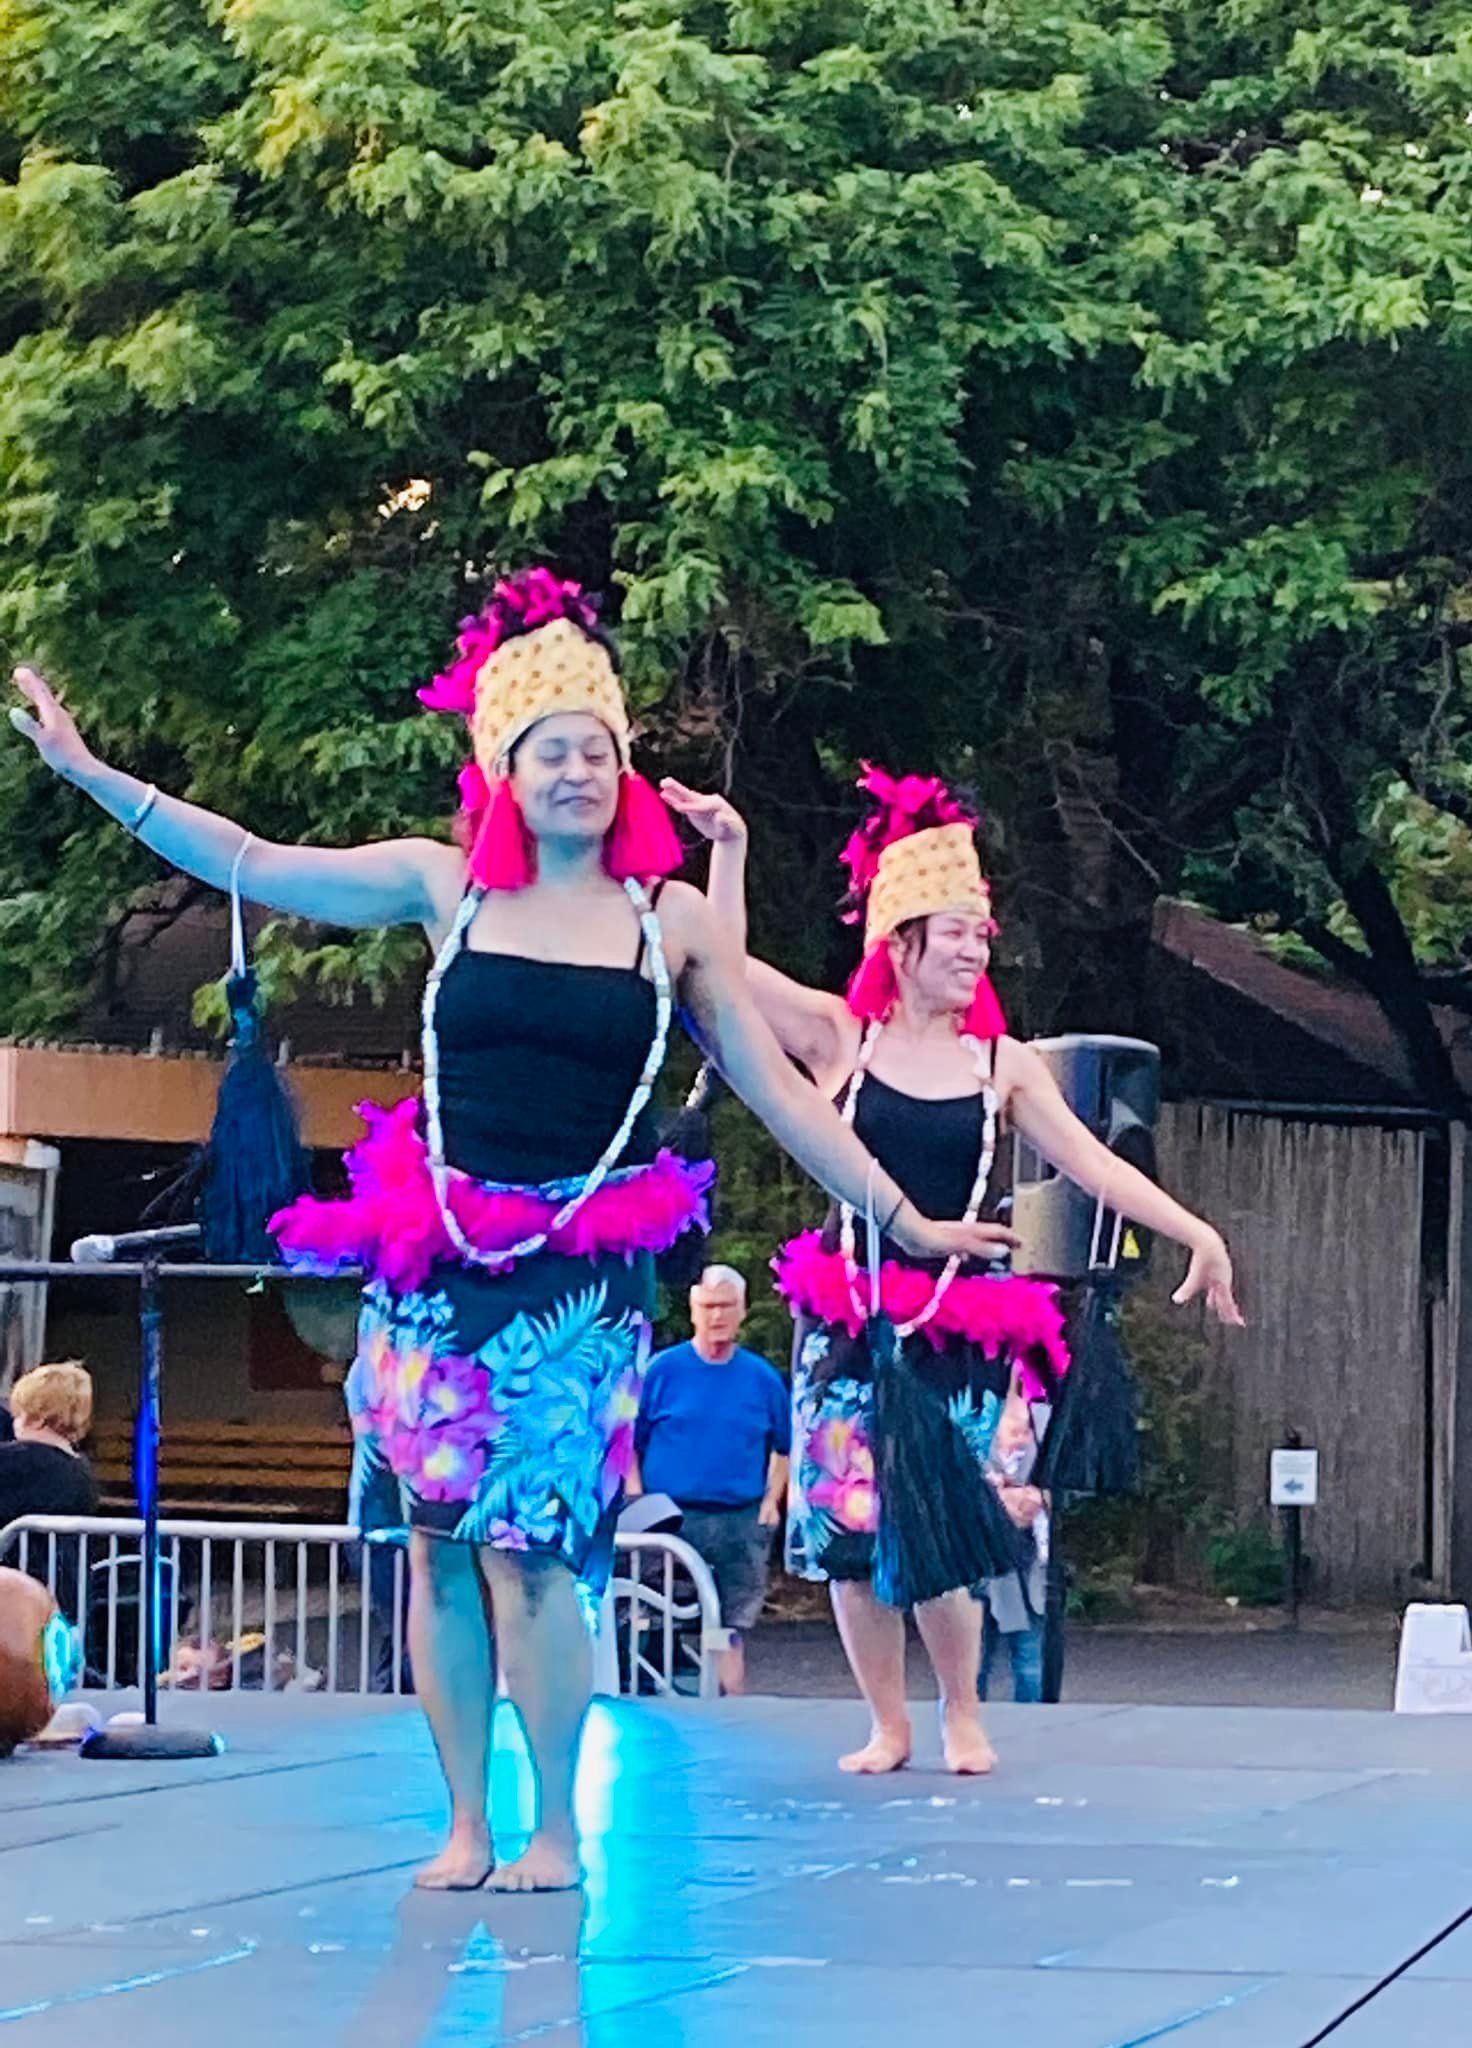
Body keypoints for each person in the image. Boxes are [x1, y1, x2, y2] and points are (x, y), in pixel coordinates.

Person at [11, 572, 1010, 1891]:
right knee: (439, 1548)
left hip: (578, 1283)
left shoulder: (674, 922)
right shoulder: (446, 890)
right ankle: (465, 1823)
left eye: (600, 751)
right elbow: (255, 861)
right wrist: (92, 774)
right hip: (437, 1271)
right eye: (553, 752)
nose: (580, 771)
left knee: (537, 1557)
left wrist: (905, 1214)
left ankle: (551, 1828)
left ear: (623, 772)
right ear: (505, 769)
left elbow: (778, 1093)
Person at [663, 763, 1243, 1776]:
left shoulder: (1002, 1063)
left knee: (948, 1529)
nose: (979, 948)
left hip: (959, 1325)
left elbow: (1093, 1162)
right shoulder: (839, 1034)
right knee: (850, 1534)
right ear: (902, 942)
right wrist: (731, 846)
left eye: (983, 932)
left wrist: (1196, 1230)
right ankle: (886, 1719)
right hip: (850, 1323)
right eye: (959, 931)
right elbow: (718, 958)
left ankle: (961, 1711)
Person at [631, 1264, 790, 1694]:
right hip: (669, 1520)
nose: (716, 1316)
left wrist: (771, 1502)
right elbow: (628, 1440)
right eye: (708, 1306)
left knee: (731, 1624)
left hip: (740, 1517)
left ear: (742, 1312)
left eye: (726, 1307)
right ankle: (649, 1700)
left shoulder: (762, 1378)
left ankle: (729, 1707)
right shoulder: (661, 1371)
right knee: (653, 1616)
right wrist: (635, 1496)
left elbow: (784, 1447)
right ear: (693, 1309)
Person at [0, 1362, 100, 1623]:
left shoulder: (16, 1462)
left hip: (17, 1600)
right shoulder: (80, 1471)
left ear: (36, 1414)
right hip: (65, 1597)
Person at [977, 1389, 1047, 1705]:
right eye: (1014, 1432)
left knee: (1030, 1660)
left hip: (1026, 1572)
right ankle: (965, 1722)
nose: (1021, 1439)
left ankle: (1033, 1722)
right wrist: (998, 1501)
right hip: (979, 1572)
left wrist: (1039, 1499)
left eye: (1026, 1432)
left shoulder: (1044, 1445)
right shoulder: (972, 1438)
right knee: (973, 1662)